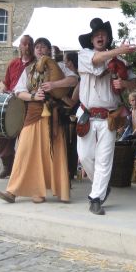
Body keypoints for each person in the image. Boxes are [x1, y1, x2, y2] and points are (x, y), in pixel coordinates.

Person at [0, 37, 77, 203]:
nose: (40, 50)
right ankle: (13, 191)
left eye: (44, 47)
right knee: (24, 151)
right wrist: (33, 96)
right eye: (38, 47)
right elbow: (18, 92)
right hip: (33, 113)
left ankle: (55, 191)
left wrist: (54, 85)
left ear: (49, 50)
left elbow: (74, 80)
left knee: (53, 153)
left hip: (53, 116)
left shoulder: (59, 66)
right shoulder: (29, 70)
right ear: (34, 50)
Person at [77, 17, 136, 215]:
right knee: (85, 156)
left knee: (104, 160)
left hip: (109, 117)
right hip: (86, 114)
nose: (99, 37)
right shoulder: (84, 55)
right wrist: (119, 51)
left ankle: (96, 198)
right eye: (96, 35)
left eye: (103, 34)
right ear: (92, 40)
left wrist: (125, 85)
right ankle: (101, 187)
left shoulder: (120, 61)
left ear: (108, 38)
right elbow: (97, 61)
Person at [0, 35, 35, 179]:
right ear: (20, 47)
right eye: (24, 44)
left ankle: (21, 172)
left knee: (25, 140)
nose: (27, 47)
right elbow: (6, 83)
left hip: (28, 104)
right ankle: (7, 168)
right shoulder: (13, 63)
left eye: (29, 44)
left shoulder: (36, 64)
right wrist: (4, 94)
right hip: (11, 105)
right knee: (3, 136)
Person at [61, 51, 80, 180]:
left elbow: (72, 102)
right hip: (68, 114)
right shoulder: (67, 77)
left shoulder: (79, 79)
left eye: (65, 61)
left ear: (71, 63)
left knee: (71, 144)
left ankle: (70, 171)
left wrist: (59, 94)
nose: (64, 64)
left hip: (74, 115)